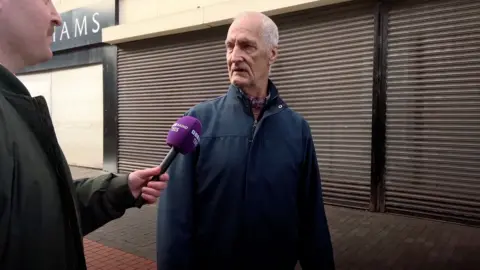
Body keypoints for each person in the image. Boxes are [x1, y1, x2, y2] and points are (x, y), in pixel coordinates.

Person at [156, 11, 335, 270]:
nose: (234, 56)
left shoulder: (297, 129)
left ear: (272, 53)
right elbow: (175, 219)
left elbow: (312, 218)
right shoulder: (196, 121)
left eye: (247, 46)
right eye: (230, 46)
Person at [0, 0, 169, 269]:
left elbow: (50, 215)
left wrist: (122, 188)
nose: (57, 17)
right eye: (45, 0)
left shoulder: (13, 106)